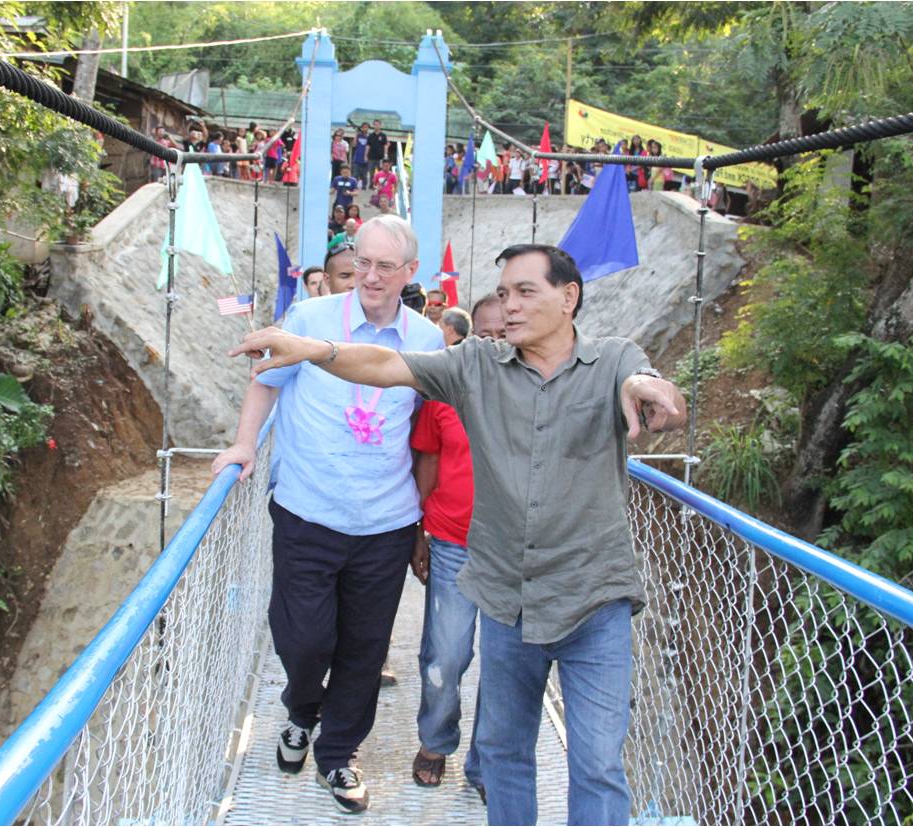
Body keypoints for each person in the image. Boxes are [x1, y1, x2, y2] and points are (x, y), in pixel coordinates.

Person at [225, 243, 687, 826]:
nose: (510, 306)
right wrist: (314, 349)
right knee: (503, 752)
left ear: (568, 298)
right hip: (506, 597)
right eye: (502, 293)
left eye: (525, 292)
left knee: (596, 764)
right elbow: (383, 366)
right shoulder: (476, 366)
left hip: (593, 598)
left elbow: (657, 390)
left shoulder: (616, 361)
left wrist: (656, 396)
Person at [212, 215, 444, 815]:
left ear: (409, 274)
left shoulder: (427, 339)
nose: (369, 276)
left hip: (385, 522)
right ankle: (299, 710)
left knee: (364, 649)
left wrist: (426, 518)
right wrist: (243, 444)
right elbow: (266, 381)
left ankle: (338, 754)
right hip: (307, 510)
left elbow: (430, 430)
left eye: (385, 266)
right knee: (305, 638)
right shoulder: (312, 319)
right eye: (361, 261)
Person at [408, 298, 491, 794]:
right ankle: (436, 740)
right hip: (453, 540)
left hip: (515, 552)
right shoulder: (447, 392)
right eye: (482, 333)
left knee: (506, 668)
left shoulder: (539, 393)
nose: (493, 342)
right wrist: (418, 530)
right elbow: (429, 460)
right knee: (447, 653)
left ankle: (487, 763)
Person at [352, 122, 371, 187]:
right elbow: (354, 145)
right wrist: (356, 135)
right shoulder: (358, 135)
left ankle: (364, 187)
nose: (365, 128)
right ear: (361, 128)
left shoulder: (370, 136)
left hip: (366, 158)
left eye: (366, 127)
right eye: (364, 127)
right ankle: (354, 186)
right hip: (357, 158)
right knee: (355, 174)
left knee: (364, 175)